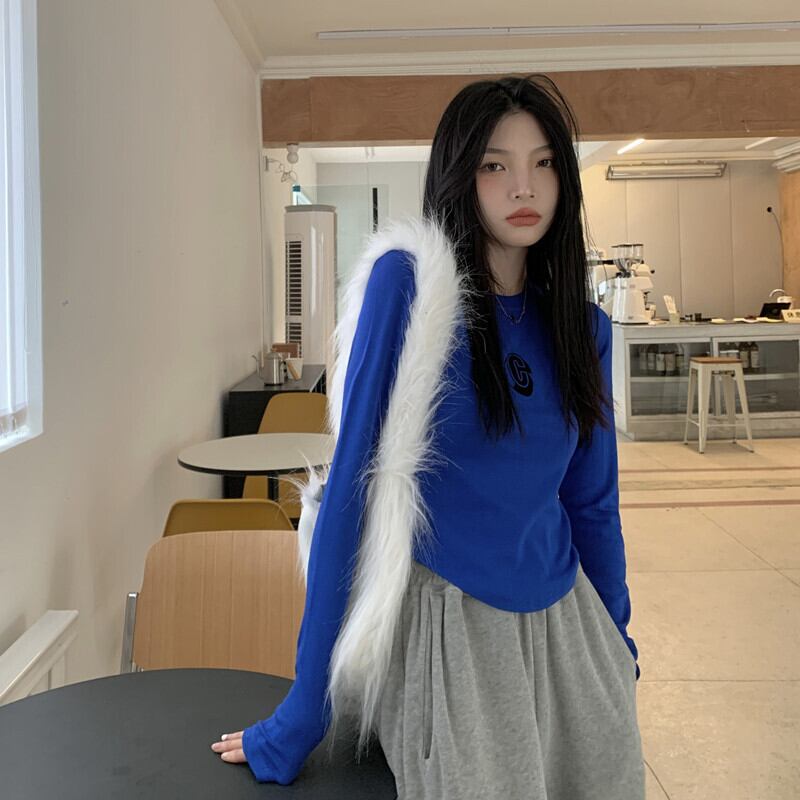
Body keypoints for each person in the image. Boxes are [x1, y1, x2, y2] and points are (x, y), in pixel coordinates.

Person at [210, 73, 645, 799]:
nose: (523, 186)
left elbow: (591, 503)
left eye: (543, 162)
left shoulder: (582, 326)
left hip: (569, 628)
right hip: (454, 631)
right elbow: (351, 494)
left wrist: (618, 647)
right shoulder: (408, 288)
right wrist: (304, 712)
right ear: (459, 175)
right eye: (495, 165)